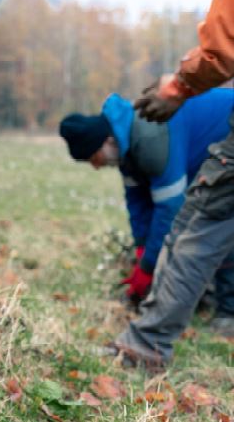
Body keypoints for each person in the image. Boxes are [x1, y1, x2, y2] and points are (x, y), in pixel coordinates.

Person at [112, 0, 234, 368]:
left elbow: (222, 47)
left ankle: (145, 346)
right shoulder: (131, 156)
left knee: (197, 230)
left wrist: (181, 85)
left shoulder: (149, 141)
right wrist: (142, 254)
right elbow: (137, 201)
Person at [59, 90, 234, 306]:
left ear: (108, 141)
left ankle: (228, 310)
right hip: (209, 154)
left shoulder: (151, 139)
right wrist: (142, 248)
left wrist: (148, 266)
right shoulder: (126, 150)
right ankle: (203, 293)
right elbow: (138, 203)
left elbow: (171, 210)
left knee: (221, 218)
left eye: (94, 158)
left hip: (228, 130)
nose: (96, 167)